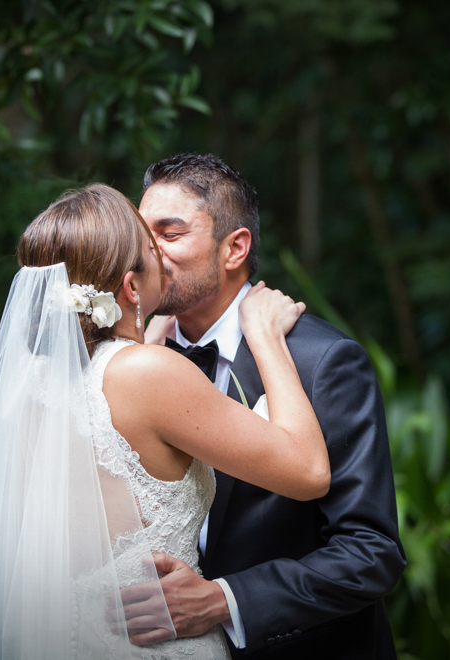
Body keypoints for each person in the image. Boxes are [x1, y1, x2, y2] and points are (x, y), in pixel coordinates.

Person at [0, 183, 329, 660]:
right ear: (129, 287)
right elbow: (310, 473)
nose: (164, 260)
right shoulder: (150, 372)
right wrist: (266, 336)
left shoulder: (35, 385)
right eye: (152, 248)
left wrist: (140, 332)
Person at [131, 153, 406, 659]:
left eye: (168, 235)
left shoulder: (323, 362)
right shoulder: (140, 363)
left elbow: (371, 554)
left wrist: (224, 601)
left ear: (235, 248)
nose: (147, 256)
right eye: (142, 240)